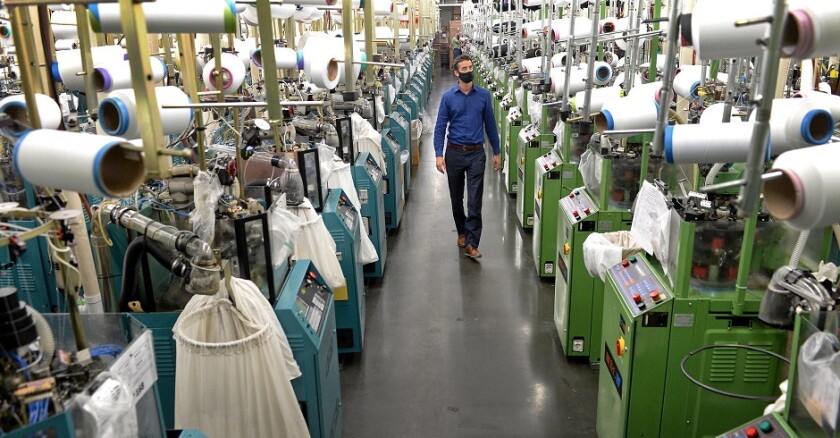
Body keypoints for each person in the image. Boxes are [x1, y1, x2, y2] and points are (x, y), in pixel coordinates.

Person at [433, 55, 501, 259]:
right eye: (464, 68)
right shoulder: (447, 98)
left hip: (476, 154)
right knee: (456, 198)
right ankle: (461, 231)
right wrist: (438, 154)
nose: (468, 70)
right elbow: (439, 127)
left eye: (470, 67)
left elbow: (490, 125)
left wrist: (497, 152)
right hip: (453, 152)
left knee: (474, 200)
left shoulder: (483, 96)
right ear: (456, 72)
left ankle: (472, 242)